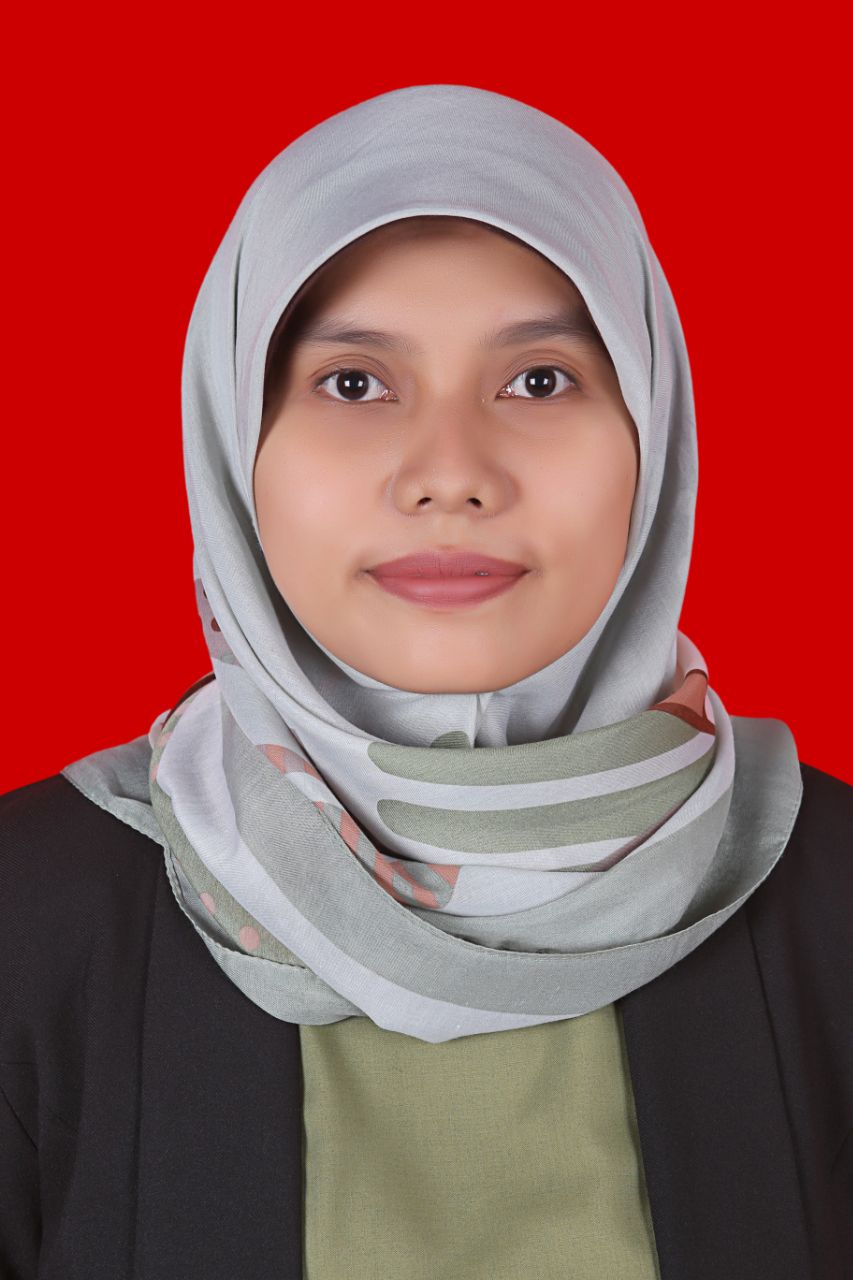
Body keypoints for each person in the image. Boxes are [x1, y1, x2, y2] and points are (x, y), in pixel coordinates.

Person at [1, 83, 850, 1280]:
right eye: (353, 382)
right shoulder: (26, 917)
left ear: (652, 435)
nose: (449, 472)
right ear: (235, 441)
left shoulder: (833, 904)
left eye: (539, 379)